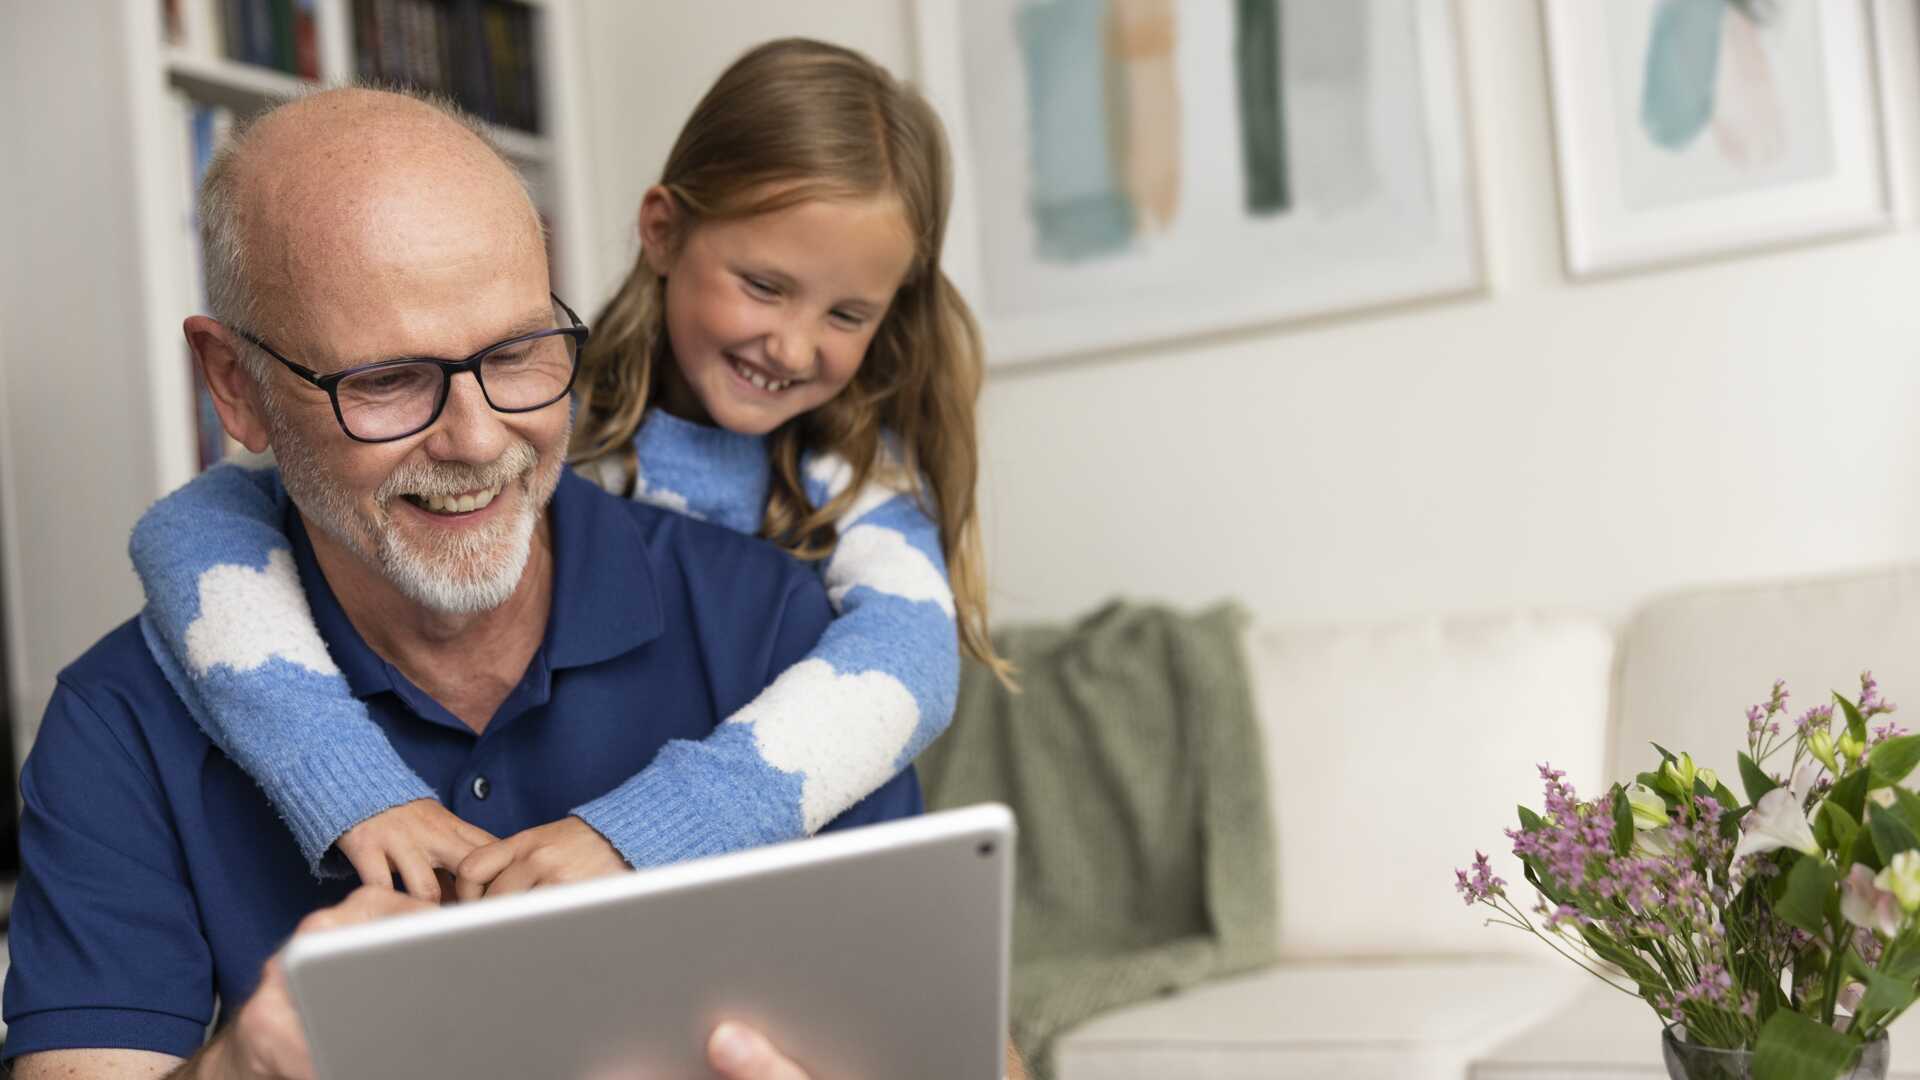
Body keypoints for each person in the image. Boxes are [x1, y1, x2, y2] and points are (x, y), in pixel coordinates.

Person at [2, 86, 927, 1078]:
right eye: (387, 380)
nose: (479, 441)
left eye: (520, 353)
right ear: (237, 385)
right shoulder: (120, 720)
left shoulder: (774, 627)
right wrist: (240, 1073)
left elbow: (965, 1048)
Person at [123, 36, 1005, 905]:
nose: (793, 343)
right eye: (764, 286)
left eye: (848, 313)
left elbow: (906, 674)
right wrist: (350, 784)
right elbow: (185, 532)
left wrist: (650, 833)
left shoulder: (856, 497)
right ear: (661, 231)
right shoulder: (534, 415)